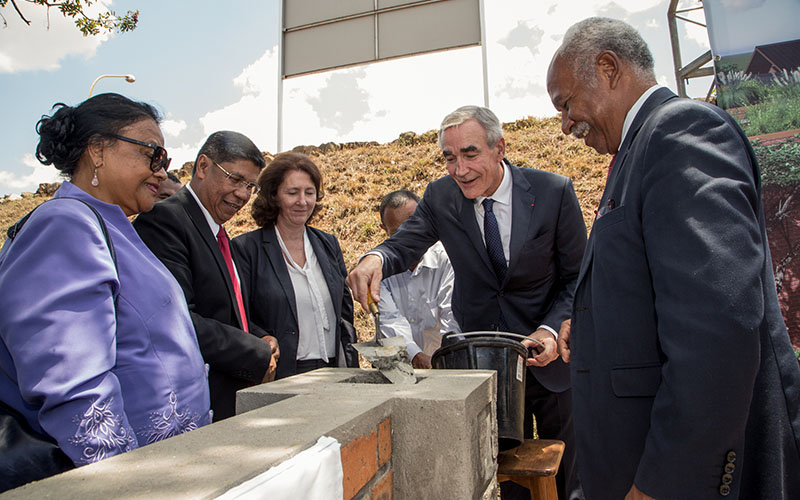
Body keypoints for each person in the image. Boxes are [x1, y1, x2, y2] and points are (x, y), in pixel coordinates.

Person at [547, 17, 800, 500]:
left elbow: (718, 327)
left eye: (566, 102)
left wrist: (667, 480)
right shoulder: (639, 149)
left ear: (607, 68)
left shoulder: (681, 131)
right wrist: (597, 326)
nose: (565, 124)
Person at [346, 105, 587, 500]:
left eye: (470, 154)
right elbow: (405, 243)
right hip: (485, 368)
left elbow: (578, 277)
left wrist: (548, 329)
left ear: (500, 148)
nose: (459, 169)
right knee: (501, 475)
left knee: (566, 473)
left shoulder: (553, 193)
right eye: (449, 157)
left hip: (549, 361)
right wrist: (375, 258)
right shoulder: (441, 197)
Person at [0, 93, 211, 471]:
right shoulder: (65, 224)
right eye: (153, 154)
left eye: (165, 160)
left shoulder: (114, 229)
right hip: (135, 474)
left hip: (174, 464)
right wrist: (121, 482)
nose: (162, 171)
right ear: (97, 150)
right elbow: (73, 383)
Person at [133, 131, 279, 421]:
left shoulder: (218, 233)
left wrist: (258, 334)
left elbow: (223, 307)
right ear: (202, 166)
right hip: (189, 407)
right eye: (235, 179)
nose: (242, 195)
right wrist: (255, 351)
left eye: (250, 186)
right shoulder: (165, 221)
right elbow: (175, 319)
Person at [231, 152, 358, 379]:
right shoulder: (247, 248)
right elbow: (239, 314)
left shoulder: (328, 244)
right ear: (274, 196)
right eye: (292, 193)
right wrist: (263, 341)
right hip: (283, 373)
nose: (303, 201)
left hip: (334, 369)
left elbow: (344, 310)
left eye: (309, 193)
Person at [376, 189, 460, 369]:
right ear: (384, 230)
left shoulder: (449, 259)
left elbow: (452, 316)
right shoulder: (377, 267)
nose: (410, 241)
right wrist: (415, 355)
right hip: (399, 368)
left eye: (413, 230)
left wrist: (445, 359)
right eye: (399, 234)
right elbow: (389, 320)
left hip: (446, 364)